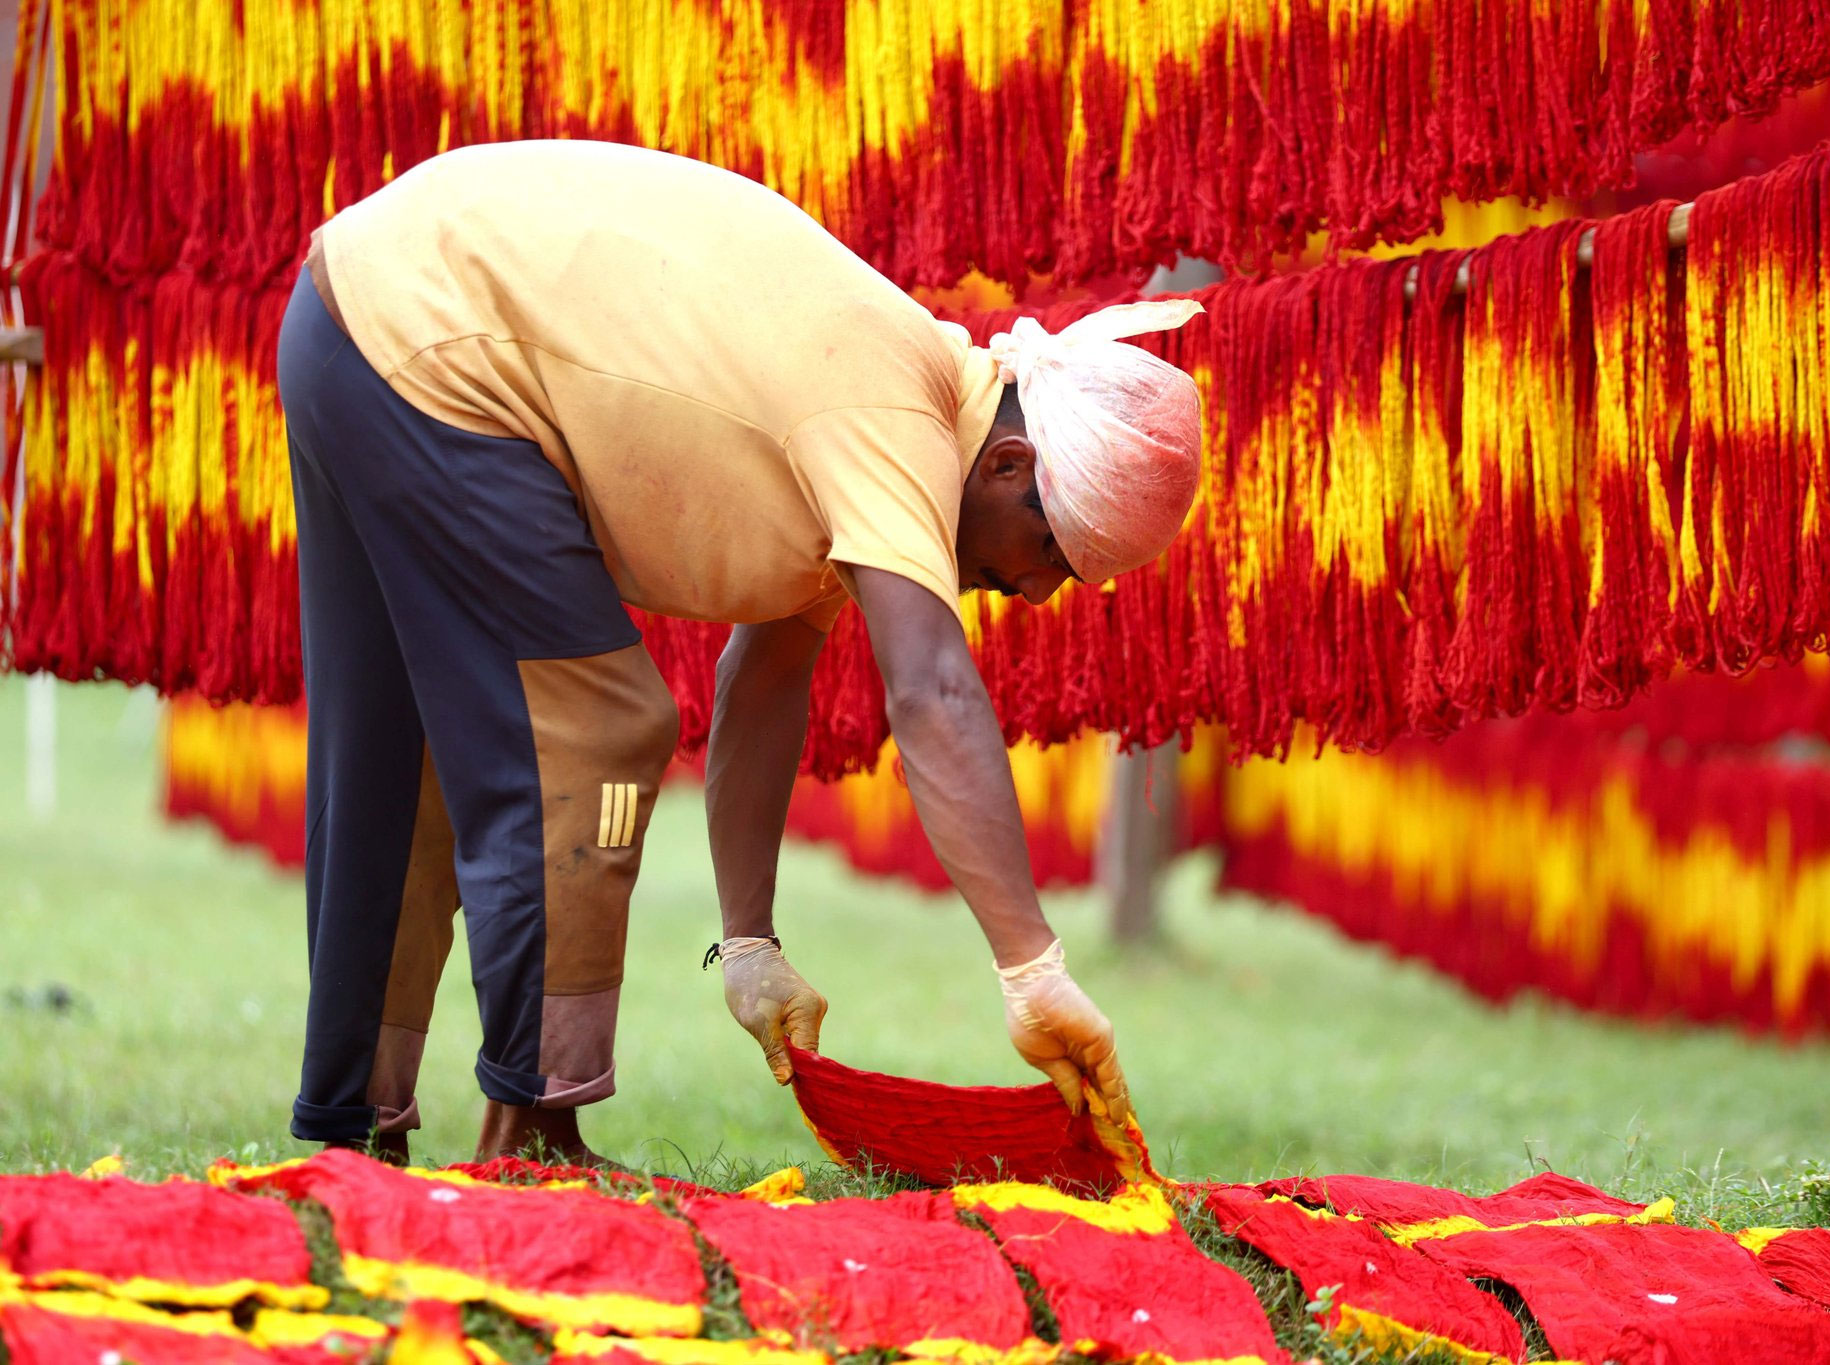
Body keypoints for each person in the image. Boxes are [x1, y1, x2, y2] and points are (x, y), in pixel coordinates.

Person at [274, 140, 1206, 1164]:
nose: (1032, 594)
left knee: (404, 755)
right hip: (429, 336)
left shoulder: (887, 421)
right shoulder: (893, 414)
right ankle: (532, 1136)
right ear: (1008, 464)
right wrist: (1032, 969)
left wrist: (749, 942)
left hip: (350, 316)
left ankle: (351, 1132)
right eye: (1051, 554)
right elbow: (932, 691)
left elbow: (762, 684)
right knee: (596, 731)